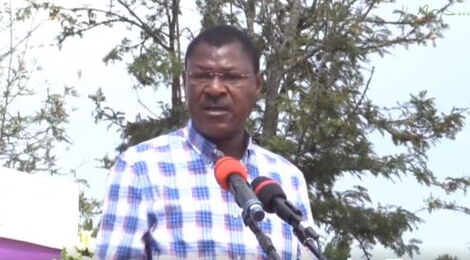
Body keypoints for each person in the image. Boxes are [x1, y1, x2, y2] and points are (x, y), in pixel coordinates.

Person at [95, 25, 316, 259]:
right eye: (202, 76)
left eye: (231, 77)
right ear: (185, 81)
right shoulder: (140, 167)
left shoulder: (287, 178)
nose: (215, 88)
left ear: (257, 85)